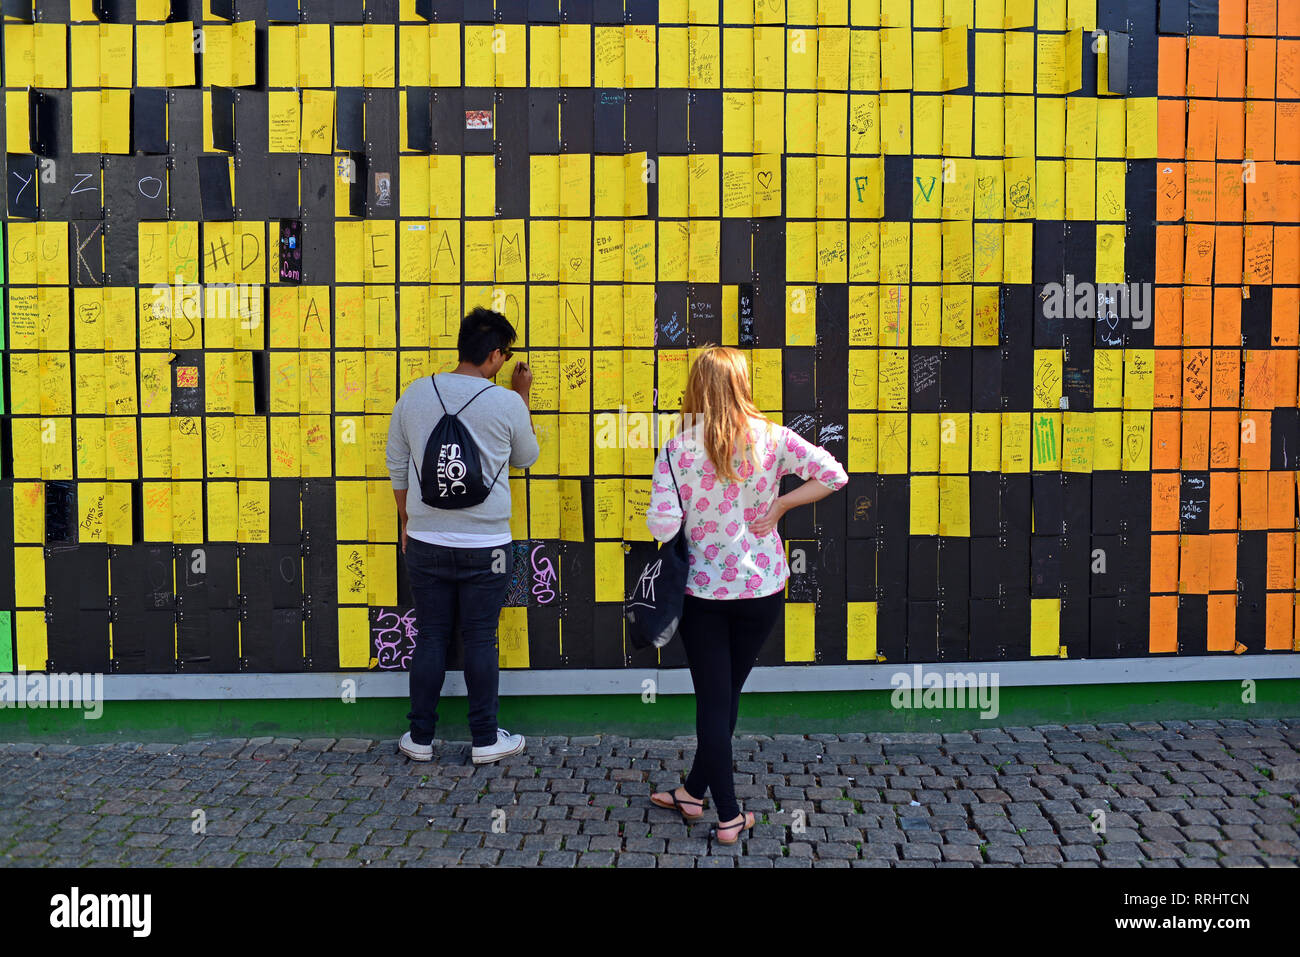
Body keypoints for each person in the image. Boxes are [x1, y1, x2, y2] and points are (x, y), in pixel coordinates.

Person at [646, 346, 847, 843]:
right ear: (741, 384)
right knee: (726, 694)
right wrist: (779, 505)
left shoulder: (676, 451)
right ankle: (693, 792)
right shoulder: (773, 438)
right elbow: (834, 476)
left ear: (695, 388)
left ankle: (729, 815)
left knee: (714, 700)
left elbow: (662, 524)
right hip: (761, 588)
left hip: (703, 594)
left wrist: (683, 509)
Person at [386, 307, 540, 764]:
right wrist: (522, 396)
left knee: (430, 636)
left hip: (427, 542)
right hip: (487, 546)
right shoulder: (507, 402)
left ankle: (419, 738)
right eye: (504, 353)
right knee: (480, 638)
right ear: (495, 355)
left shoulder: (414, 395)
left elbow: (396, 463)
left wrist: (407, 522)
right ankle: (485, 740)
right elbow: (526, 457)